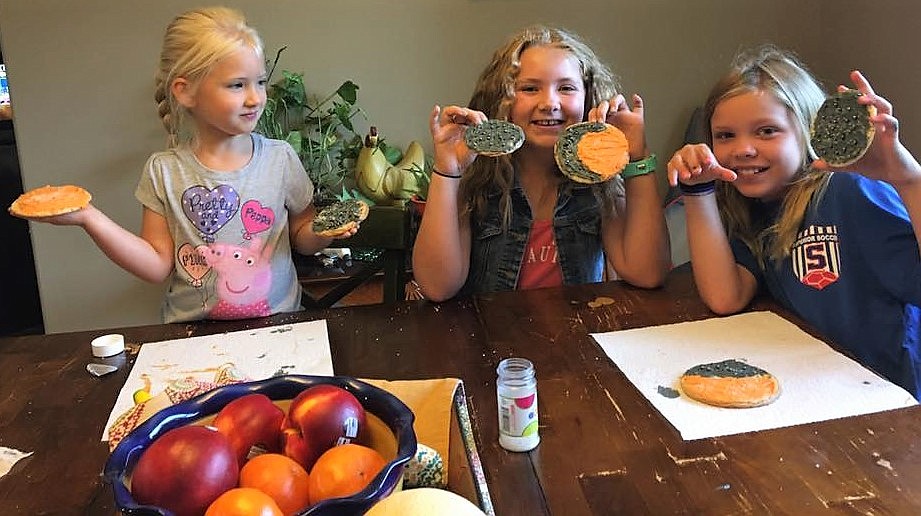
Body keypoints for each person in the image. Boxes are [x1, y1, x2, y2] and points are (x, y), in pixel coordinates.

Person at [13, 7, 352, 322]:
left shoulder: (280, 159)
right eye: (237, 85)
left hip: (278, 326)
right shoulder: (163, 171)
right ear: (185, 92)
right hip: (191, 336)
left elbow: (302, 239)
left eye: (260, 82)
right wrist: (89, 218)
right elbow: (157, 266)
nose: (255, 97)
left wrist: (326, 231)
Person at [667, 45, 921, 399]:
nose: (743, 149)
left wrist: (909, 180)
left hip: (890, 398)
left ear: (808, 130)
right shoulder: (750, 207)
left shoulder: (849, 192)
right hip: (814, 391)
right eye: (725, 135)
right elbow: (725, 297)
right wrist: (699, 191)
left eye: (767, 131)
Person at [412, 25, 670, 301]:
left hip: (573, 335)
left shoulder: (601, 186)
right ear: (503, 100)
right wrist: (448, 171)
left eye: (566, 88)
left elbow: (648, 273)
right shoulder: (477, 183)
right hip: (490, 337)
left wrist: (638, 157)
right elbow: (437, 287)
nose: (550, 102)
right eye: (530, 88)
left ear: (589, 97)